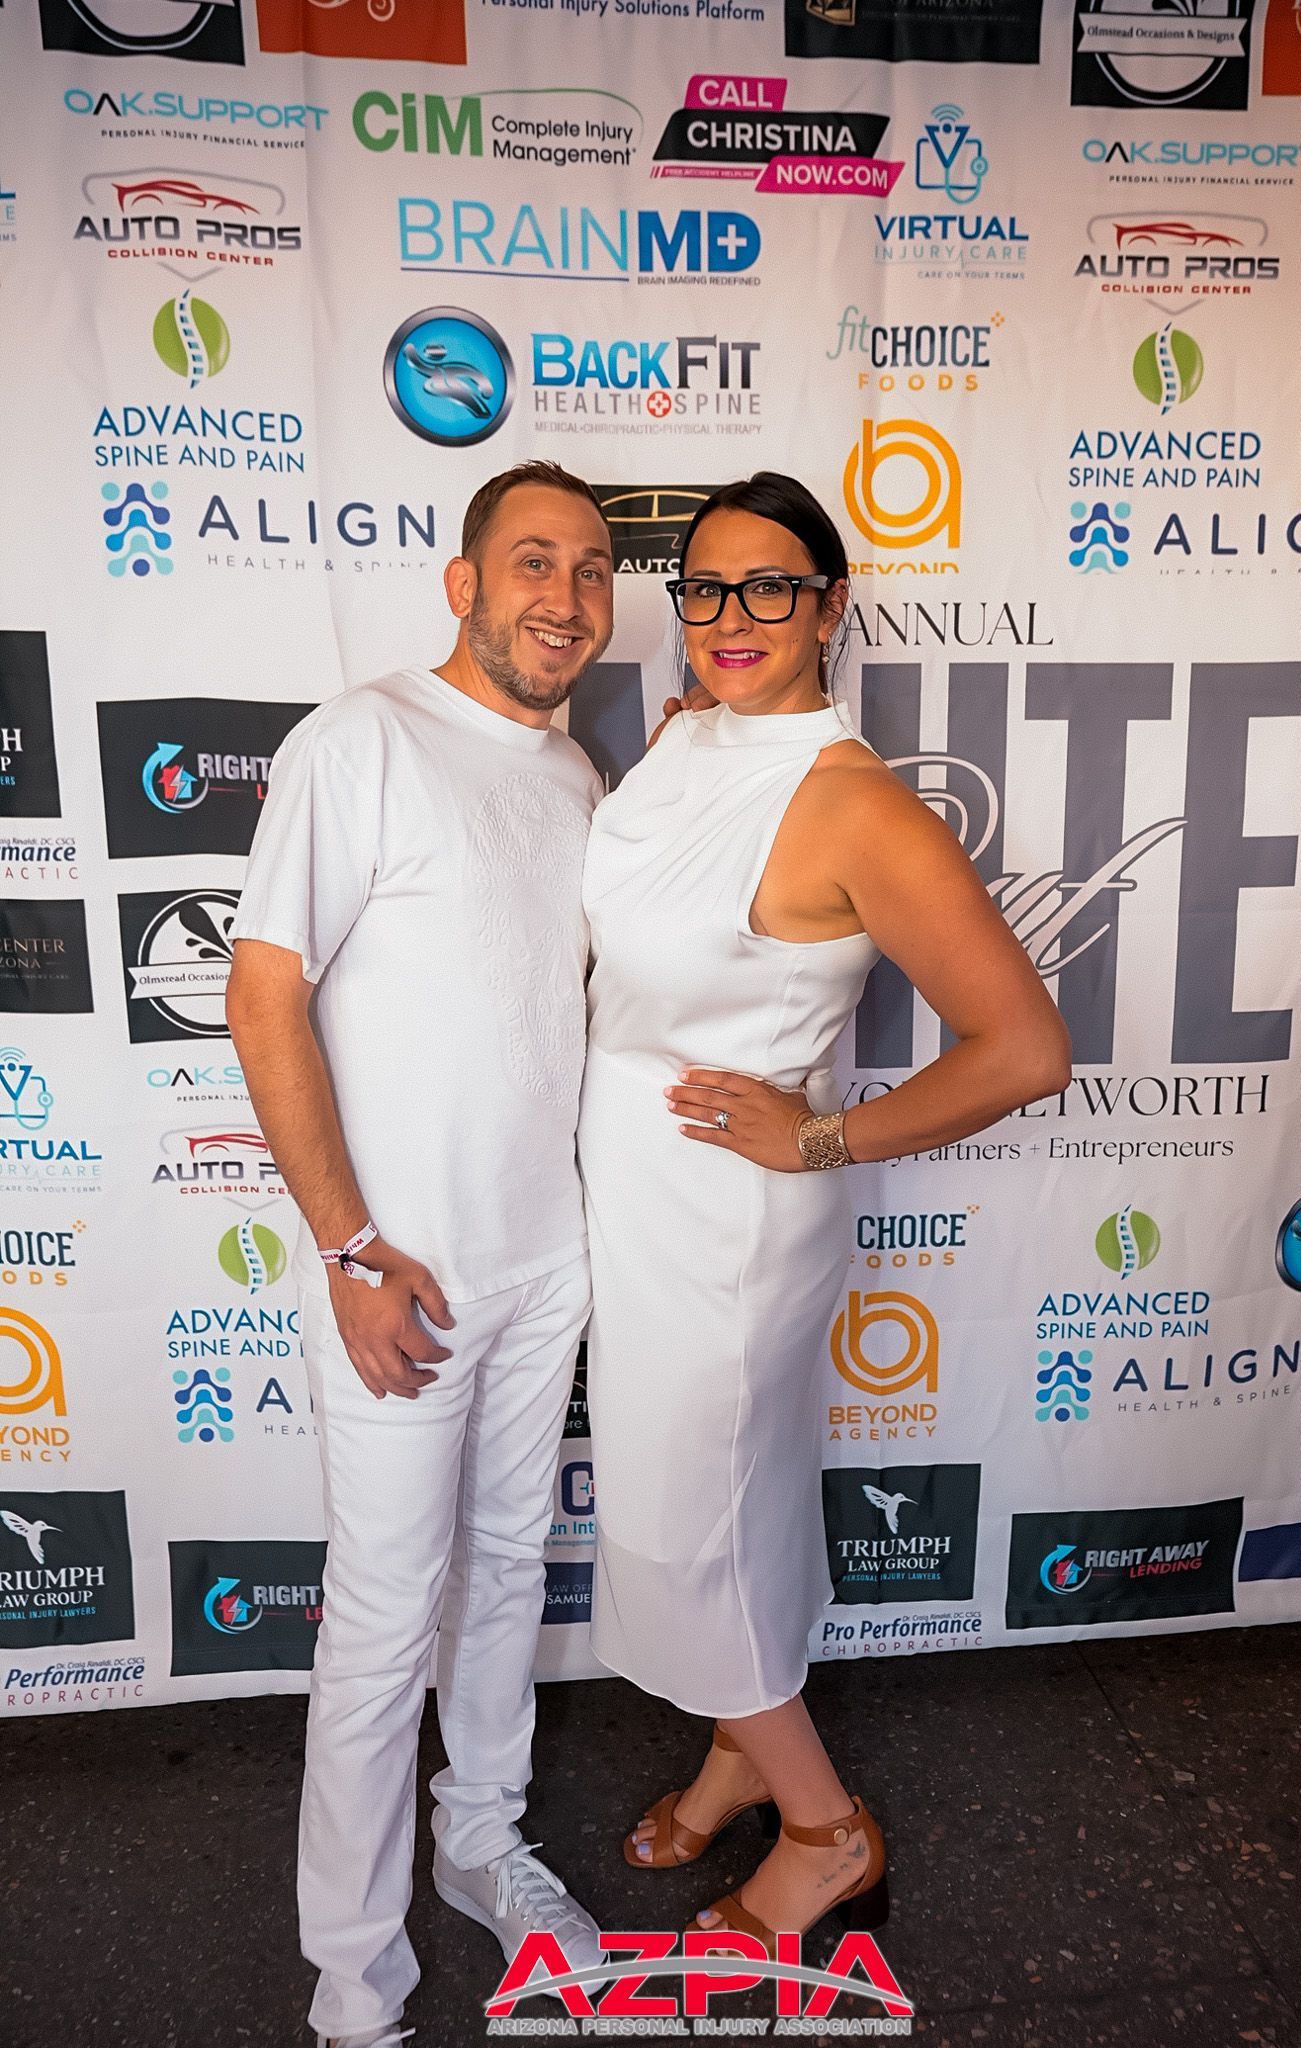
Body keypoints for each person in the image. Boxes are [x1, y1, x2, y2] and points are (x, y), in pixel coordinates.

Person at [577, 471, 1072, 1955]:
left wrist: (821, 1137)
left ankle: (824, 1830)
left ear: (830, 604)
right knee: (734, 1505)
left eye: (770, 587)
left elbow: (1025, 1049)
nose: (731, 616)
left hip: (728, 1227)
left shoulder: (856, 806)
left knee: (687, 1524)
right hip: (637, 1201)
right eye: (705, 588)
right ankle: (742, 1751)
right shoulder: (688, 739)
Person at [225, 461, 615, 2048]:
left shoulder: (577, 775)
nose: (566, 599)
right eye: (533, 563)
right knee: (387, 1616)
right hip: (404, 1277)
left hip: (542, 1265)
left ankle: (480, 1842)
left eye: (593, 571)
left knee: (510, 1568)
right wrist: (349, 1247)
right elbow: (263, 994)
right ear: (464, 584)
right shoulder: (363, 739)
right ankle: (353, 1977)